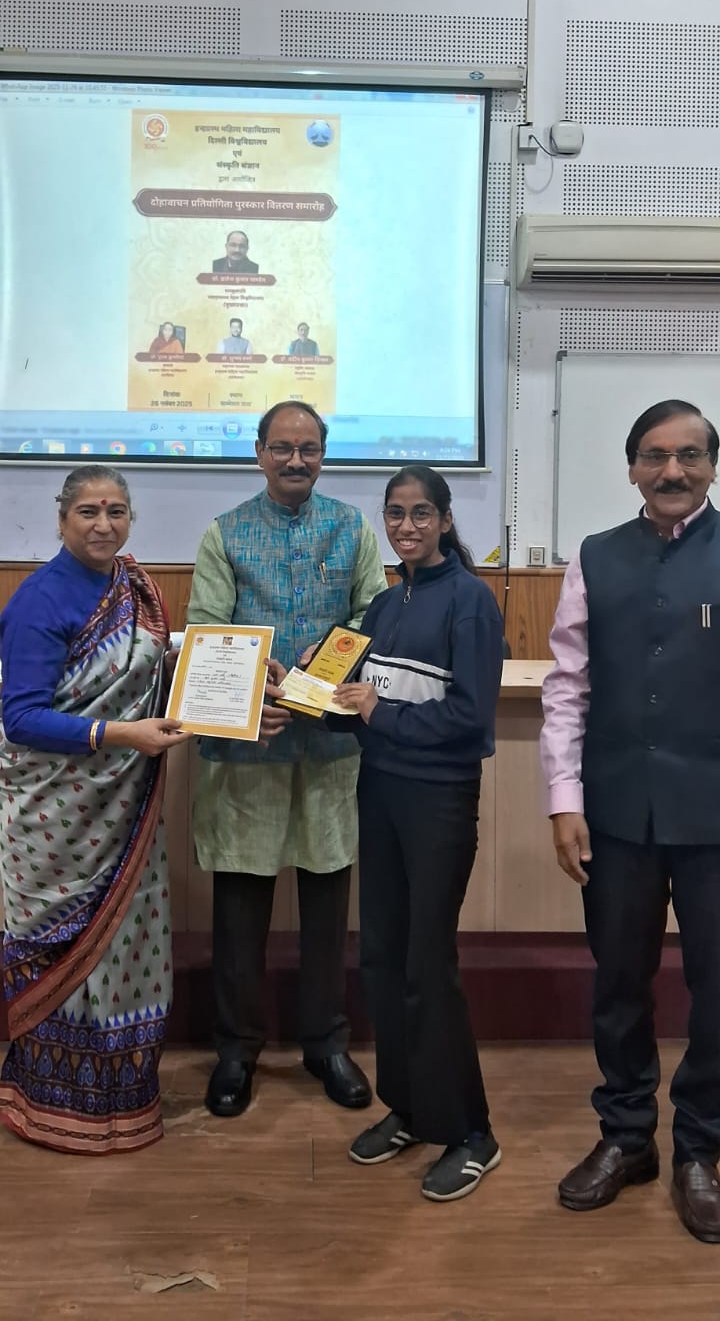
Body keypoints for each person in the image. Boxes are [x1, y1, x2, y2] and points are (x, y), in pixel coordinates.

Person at [541, 399, 720, 1243]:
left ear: (712, 466)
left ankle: (700, 1147)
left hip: (714, 815)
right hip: (615, 812)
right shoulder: (594, 557)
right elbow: (567, 686)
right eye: (655, 455)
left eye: (689, 455)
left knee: (717, 988)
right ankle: (626, 1136)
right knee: (618, 983)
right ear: (632, 468)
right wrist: (563, 800)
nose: (672, 471)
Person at [187, 400, 387, 1121]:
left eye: (308, 448)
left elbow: (373, 615)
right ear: (260, 453)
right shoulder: (225, 533)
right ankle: (236, 1051)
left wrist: (323, 669)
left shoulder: (353, 529)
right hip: (249, 749)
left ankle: (326, 1045)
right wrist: (254, 697)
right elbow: (206, 630)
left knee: (328, 905)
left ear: (324, 455)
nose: (296, 460)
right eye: (282, 447)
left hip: (330, 746)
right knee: (240, 909)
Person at [0, 465, 186, 1154]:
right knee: (60, 956)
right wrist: (122, 735)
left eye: (115, 511)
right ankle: (48, 1108)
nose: (103, 524)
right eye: (87, 511)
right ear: (61, 520)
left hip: (120, 812)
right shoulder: (38, 600)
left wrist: (248, 673)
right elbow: (21, 719)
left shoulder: (133, 587)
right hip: (56, 824)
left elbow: (152, 664)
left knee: (124, 954)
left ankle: (122, 1105)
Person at [332, 465, 504, 1202]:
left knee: (428, 965)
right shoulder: (383, 600)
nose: (407, 526)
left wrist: (381, 714)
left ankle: (472, 1133)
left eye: (421, 513)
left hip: (437, 803)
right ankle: (408, 1108)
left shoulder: (469, 600)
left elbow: (470, 719)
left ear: (444, 519)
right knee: (382, 958)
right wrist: (294, 691)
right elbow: (351, 702)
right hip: (380, 794)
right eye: (396, 514)